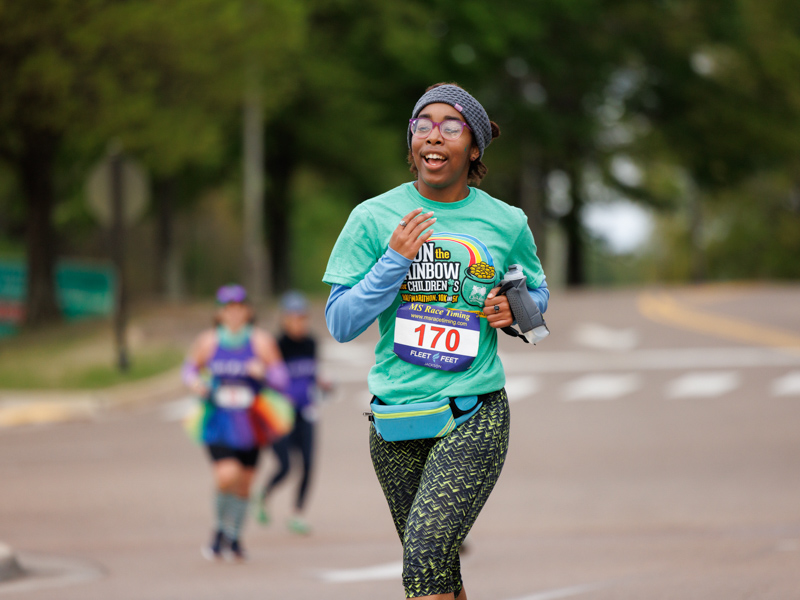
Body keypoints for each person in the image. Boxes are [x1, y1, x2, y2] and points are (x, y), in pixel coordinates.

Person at [323, 83, 549, 599]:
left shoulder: (505, 221)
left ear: (473, 149)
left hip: (474, 412)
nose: (433, 135)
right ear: (411, 143)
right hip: (395, 420)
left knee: (422, 563)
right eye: (422, 124)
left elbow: (536, 291)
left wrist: (514, 309)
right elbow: (340, 322)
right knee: (438, 571)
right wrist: (393, 261)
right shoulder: (373, 218)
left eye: (451, 126)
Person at [182, 284, 289, 561]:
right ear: (219, 313)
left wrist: (263, 372)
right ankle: (218, 529)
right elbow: (189, 369)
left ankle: (234, 537)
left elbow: (281, 378)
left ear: (248, 311)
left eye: (239, 308)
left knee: (244, 484)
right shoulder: (209, 342)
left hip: (251, 422)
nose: (233, 314)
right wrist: (195, 383)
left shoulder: (261, 342)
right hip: (218, 419)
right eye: (228, 309)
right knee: (226, 475)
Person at [257, 291, 331, 534]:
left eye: (303, 318)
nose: (299, 323)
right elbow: (267, 378)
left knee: (309, 464)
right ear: (284, 320)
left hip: (306, 411)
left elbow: (311, 373)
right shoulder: (276, 345)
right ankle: (264, 495)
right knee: (286, 465)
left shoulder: (311, 343)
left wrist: (322, 383)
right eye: (294, 317)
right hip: (280, 415)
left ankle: (296, 513)